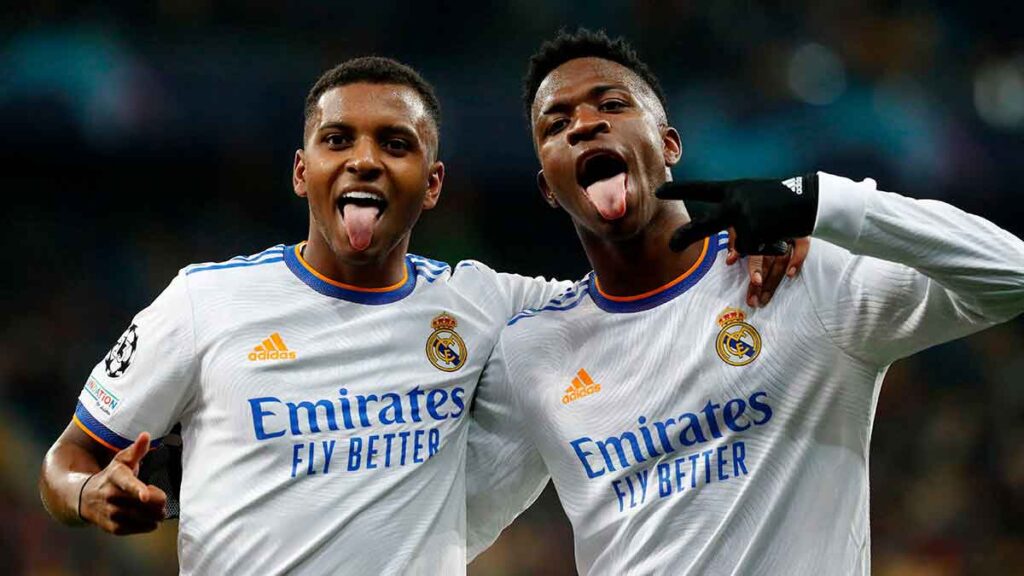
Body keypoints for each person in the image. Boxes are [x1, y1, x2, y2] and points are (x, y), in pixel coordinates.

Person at [38, 56, 796, 574]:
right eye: (338, 140)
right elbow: (65, 461)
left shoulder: (485, 305)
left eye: (395, 144)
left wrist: (771, 226)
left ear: (431, 185)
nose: (365, 159)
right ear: (303, 171)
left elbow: (633, 291)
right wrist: (86, 494)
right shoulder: (204, 302)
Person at [466, 29, 1024, 575]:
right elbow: (452, 524)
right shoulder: (532, 351)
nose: (585, 124)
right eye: (556, 124)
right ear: (548, 188)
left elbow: (1011, 274)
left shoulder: (802, 276)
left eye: (611, 104)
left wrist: (820, 200)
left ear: (669, 144)